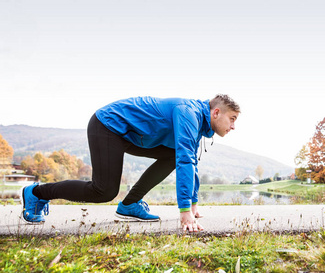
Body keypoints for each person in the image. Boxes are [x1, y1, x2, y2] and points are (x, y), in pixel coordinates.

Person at [21, 94, 240, 232]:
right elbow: (185, 160)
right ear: (216, 112)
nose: (233, 127)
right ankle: (37, 193)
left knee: (172, 155)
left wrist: (193, 204)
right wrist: (184, 212)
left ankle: (129, 205)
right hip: (108, 125)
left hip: (131, 134)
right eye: (232, 119)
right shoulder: (188, 113)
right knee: (103, 191)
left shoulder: (198, 123)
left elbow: (189, 162)